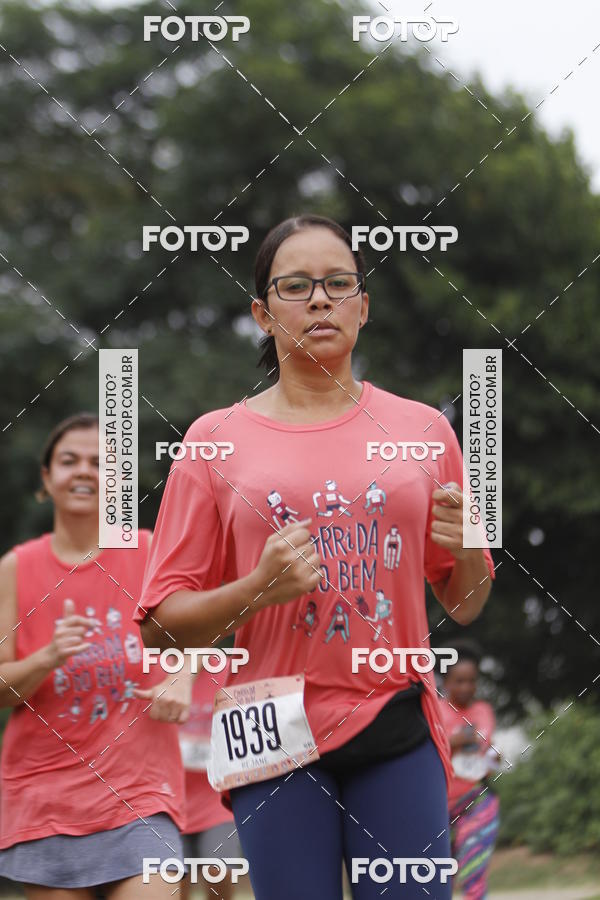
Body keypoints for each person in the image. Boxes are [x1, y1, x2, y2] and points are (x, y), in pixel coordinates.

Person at [135, 214, 496, 899]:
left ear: (364, 305)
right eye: (296, 286)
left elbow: (467, 603)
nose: (321, 300)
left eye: (338, 283)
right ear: (263, 314)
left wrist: (469, 551)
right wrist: (257, 589)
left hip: (395, 712)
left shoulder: (424, 430)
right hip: (267, 723)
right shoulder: (213, 440)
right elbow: (158, 627)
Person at [0, 413, 190, 899]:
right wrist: (48, 656)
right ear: (47, 479)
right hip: (44, 804)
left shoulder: (149, 552)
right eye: (70, 461)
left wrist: (181, 677)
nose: (84, 471)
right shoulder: (14, 569)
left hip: (141, 796)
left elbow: (196, 631)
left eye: (100, 463)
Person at [439, 642, 501, 899]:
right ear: (445, 682)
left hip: (477, 800)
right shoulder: (435, 711)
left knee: (474, 870)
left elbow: (488, 755)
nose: (466, 687)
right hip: (439, 808)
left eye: (471, 681)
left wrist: (494, 758)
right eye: (459, 681)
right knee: (439, 879)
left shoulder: (483, 711)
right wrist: (451, 742)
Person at [178, 662, 244, 900]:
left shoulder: (231, 669)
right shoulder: (159, 670)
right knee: (175, 882)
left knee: (219, 870)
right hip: (171, 803)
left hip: (216, 800)